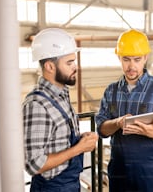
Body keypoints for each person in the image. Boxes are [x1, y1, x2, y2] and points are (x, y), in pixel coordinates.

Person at [95, 29, 153, 192]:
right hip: (119, 172)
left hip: (150, 174)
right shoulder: (111, 91)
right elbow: (101, 129)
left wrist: (152, 133)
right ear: (119, 58)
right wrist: (118, 123)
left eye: (137, 59)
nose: (131, 66)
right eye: (126, 59)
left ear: (146, 58)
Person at [23, 28, 98, 192]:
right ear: (50, 66)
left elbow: (58, 140)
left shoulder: (61, 96)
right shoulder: (37, 105)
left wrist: (80, 140)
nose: (75, 67)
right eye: (69, 63)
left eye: (74, 61)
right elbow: (33, 165)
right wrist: (78, 149)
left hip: (70, 184)